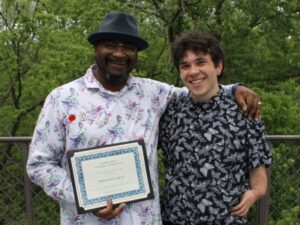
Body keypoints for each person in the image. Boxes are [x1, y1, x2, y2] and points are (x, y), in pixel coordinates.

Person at [26, 12, 261, 225]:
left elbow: (199, 87)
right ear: (96, 48)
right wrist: (83, 196)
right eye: (110, 45)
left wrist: (234, 89)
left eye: (128, 47)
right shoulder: (62, 98)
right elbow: (39, 164)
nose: (119, 53)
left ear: (136, 54)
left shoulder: (153, 94)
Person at [159, 31, 272, 225]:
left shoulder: (245, 110)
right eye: (185, 66)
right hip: (174, 219)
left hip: (227, 220)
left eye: (201, 62)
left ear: (218, 66)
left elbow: (259, 177)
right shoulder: (169, 112)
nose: (193, 71)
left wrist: (253, 194)